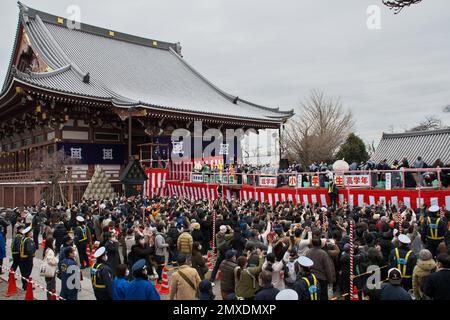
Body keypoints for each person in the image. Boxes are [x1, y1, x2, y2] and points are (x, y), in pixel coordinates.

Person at [18, 226, 36, 290]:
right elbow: (29, 251)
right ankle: (26, 286)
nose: (32, 233)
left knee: (24, 273)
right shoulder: (28, 240)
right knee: (27, 273)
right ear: (28, 233)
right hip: (27, 259)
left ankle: (24, 286)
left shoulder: (23, 238)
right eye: (31, 232)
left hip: (22, 259)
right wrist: (31, 260)